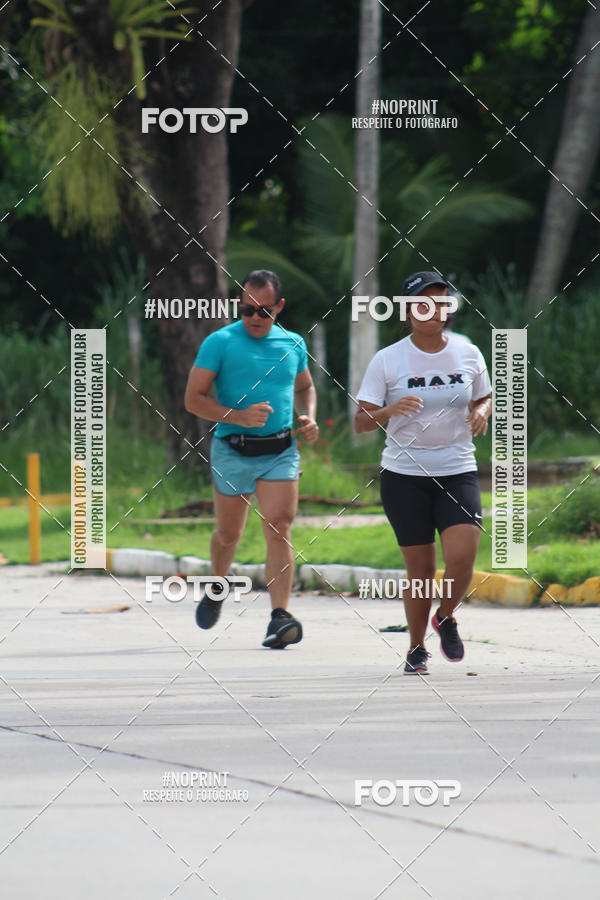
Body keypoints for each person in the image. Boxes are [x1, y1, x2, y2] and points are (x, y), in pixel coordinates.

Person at [354, 271, 492, 675]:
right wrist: (388, 410)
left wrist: (482, 411)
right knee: (421, 570)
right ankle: (416, 648)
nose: (434, 309)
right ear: (408, 311)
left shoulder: (467, 352)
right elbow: (361, 422)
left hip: (457, 469)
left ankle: (445, 616)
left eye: (441, 301)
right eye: (423, 303)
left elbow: (483, 396)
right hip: (404, 477)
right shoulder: (388, 359)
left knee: (462, 557)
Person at [184, 269, 319, 648]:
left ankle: (280, 617)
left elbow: (306, 388)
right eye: (247, 310)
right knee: (229, 534)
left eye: (264, 311)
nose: (255, 318)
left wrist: (308, 416)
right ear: (239, 306)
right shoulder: (220, 342)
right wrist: (238, 416)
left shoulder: (293, 343)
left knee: (279, 526)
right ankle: (219, 583)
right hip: (233, 450)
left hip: (280, 450)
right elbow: (193, 399)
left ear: (280, 307)